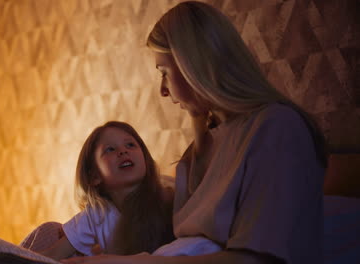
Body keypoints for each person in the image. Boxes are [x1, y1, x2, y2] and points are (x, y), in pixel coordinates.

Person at [61, 1, 327, 264]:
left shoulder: (276, 128)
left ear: (195, 67)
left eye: (164, 73)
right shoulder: (197, 152)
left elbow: (257, 258)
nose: (163, 91)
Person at [37, 121, 175, 260]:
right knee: (48, 230)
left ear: (145, 159)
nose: (123, 151)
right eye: (110, 149)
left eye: (130, 145)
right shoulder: (96, 215)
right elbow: (53, 255)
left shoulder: (168, 198)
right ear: (94, 176)